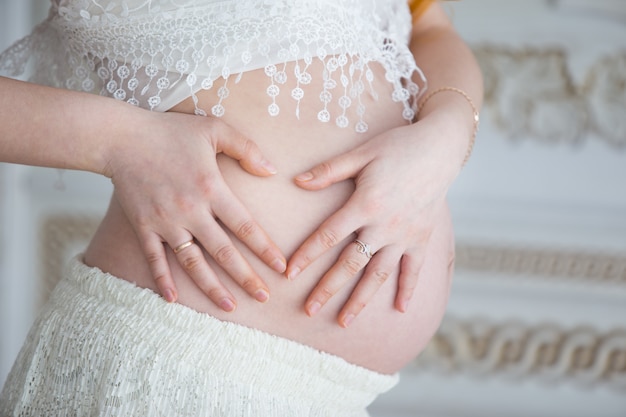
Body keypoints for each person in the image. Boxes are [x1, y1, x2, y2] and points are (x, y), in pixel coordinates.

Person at [0, 0, 483, 415]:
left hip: (342, 394)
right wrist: (117, 142)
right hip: (165, 368)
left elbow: (429, 28)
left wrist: (450, 129)